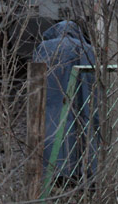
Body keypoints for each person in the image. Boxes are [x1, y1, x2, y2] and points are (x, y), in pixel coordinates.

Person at [32, 20, 97, 182]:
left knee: (52, 130)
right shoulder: (86, 48)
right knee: (79, 128)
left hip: (51, 100)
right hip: (80, 99)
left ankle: (53, 173)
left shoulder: (45, 47)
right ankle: (81, 172)